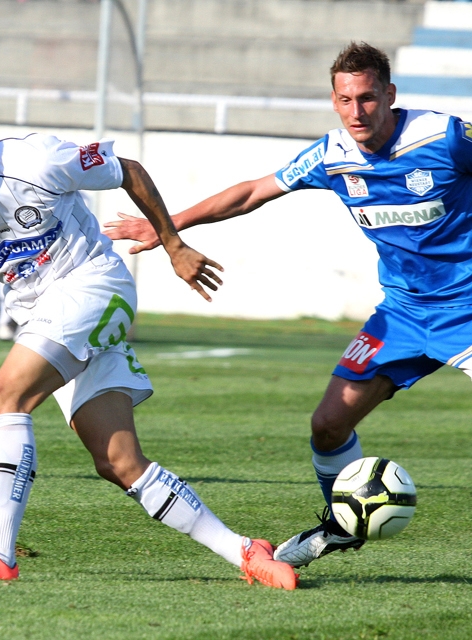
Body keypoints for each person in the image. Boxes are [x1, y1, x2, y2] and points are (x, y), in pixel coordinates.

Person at [104, 40, 472, 569]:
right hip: (403, 316)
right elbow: (253, 192)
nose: (356, 111)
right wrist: (167, 227)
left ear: (389, 95)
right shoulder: (332, 154)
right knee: (327, 425)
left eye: (367, 98)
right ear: (333, 99)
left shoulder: (444, 137)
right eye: (345, 100)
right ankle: (343, 525)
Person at [0, 99, 298, 589]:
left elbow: (127, 169)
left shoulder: (36, 160)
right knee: (118, 463)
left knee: (5, 397)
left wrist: (172, 244)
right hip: (43, 318)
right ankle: (245, 551)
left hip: (95, 284)